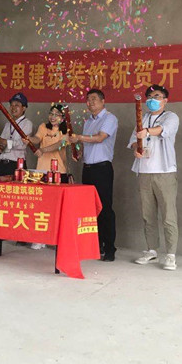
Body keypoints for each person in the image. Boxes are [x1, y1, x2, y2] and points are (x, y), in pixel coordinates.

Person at [127, 85, 180, 271]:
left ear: (165, 100)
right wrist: (136, 148)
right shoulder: (142, 118)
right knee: (147, 214)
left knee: (168, 215)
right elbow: (133, 141)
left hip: (164, 172)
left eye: (156, 96)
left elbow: (164, 130)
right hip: (144, 172)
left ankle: (171, 254)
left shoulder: (171, 117)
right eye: (149, 96)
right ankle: (151, 250)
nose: (152, 99)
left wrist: (147, 132)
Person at [69, 89, 118, 261]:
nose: (90, 102)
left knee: (104, 208)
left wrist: (79, 137)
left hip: (102, 169)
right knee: (90, 209)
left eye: (94, 99)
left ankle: (110, 248)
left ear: (103, 101)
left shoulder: (110, 118)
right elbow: (86, 144)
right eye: (88, 99)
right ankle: (96, 245)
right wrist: (78, 152)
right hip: (88, 169)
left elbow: (100, 138)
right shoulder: (88, 121)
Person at [23, 103, 71, 250]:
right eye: (51, 113)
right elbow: (37, 139)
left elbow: (59, 145)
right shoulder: (43, 127)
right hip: (42, 172)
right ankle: (40, 238)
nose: (53, 117)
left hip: (58, 173)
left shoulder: (67, 131)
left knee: (57, 208)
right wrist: (29, 139)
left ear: (63, 117)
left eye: (57, 114)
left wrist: (42, 150)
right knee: (41, 207)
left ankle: (57, 239)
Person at [0, 92, 34, 177]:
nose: (13, 108)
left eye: (17, 105)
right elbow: (2, 143)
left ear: (24, 108)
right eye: (11, 105)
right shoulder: (8, 124)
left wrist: (3, 141)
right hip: (2, 164)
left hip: (17, 165)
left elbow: (22, 145)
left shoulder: (27, 124)